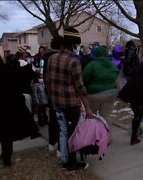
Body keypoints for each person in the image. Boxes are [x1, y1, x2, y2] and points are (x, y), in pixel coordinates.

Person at [45, 27, 93, 171]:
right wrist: (88, 108)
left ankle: (65, 159)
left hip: (56, 103)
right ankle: (71, 163)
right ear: (73, 44)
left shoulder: (52, 58)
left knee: (63, 131)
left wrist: (53, 100)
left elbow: (48, 82)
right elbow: (80, 87)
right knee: (72, 134)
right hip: (71, 105)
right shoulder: (74, 60)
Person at [82, 46, 119, 143]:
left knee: (92, 115)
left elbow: (84, 79)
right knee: (106, 115)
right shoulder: (111, 64)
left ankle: (92, 138)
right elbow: (116, 75)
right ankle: (107, 138)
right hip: (111, 93)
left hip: (94, 94)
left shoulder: (91, 65)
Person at [43, 36, 63, 152]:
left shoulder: (45, 57)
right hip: (60, 93)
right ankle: (61, 147)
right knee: (61, 121)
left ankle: (52, 143)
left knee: (52, 118)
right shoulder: (59, 58)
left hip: (50, 92)